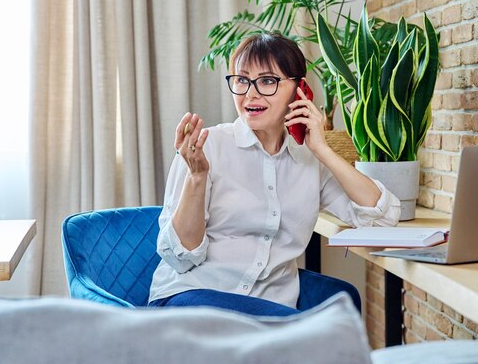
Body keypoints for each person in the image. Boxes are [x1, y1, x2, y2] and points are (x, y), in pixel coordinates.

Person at [148, 33, 401, 315]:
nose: (250, 93)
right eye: (242, 80)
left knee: (344, 300)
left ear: (300, 91)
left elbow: (382, 218)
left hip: (270, 303)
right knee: (299, 329)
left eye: (267, 80)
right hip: (193, 295)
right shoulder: (207, 147)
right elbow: (180, 258)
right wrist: (197, 176)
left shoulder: (309, 160)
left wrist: (323, 150)